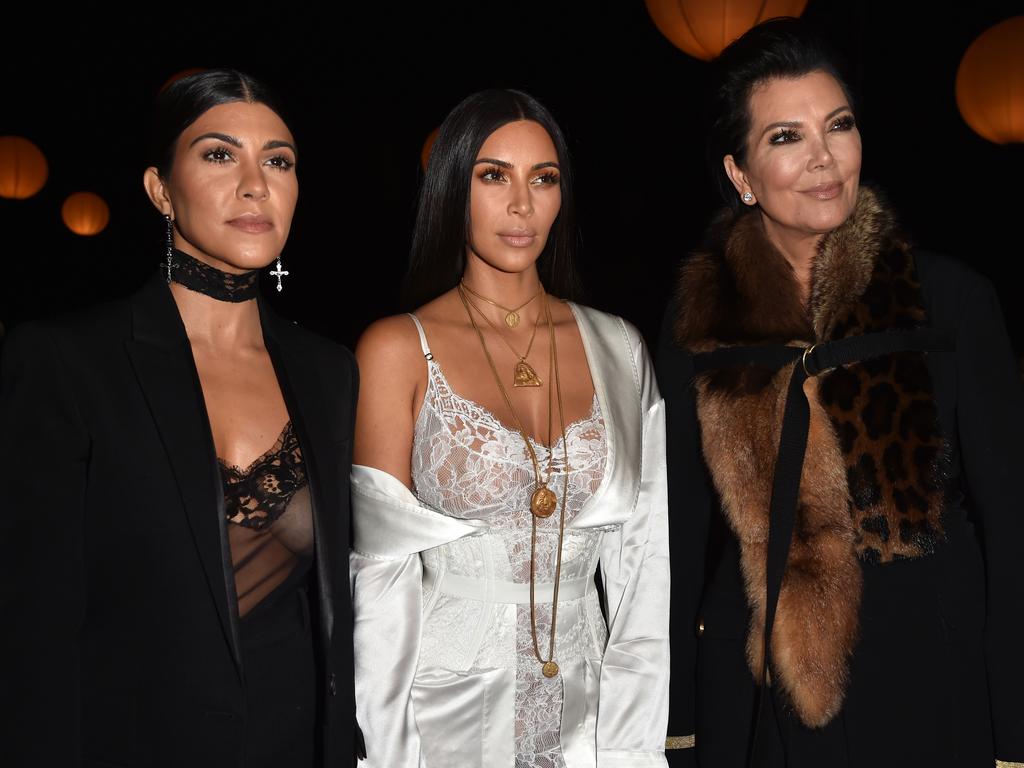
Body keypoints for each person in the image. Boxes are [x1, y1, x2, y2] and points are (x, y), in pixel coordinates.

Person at [657, 17, 1024, 768]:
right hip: (758, 694)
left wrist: (1013, 729)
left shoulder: (950, 302)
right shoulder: (699, 325)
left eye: (839, 125)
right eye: (785, 137)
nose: (823, 158)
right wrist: (679, 723)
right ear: (741, 175)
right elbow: (672, 543)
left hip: (931, 689)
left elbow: (1013, 530)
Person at [0, 69, 359, 767]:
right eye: (219, 154)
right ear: (160, 189)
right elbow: (29, 638)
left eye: (278, 161)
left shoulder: (333, 372)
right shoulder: (67, 362)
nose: (255, 184)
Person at [351, 88, 670, 767]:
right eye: (493, 176)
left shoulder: (619, 348)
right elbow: (379, 580)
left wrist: (633, 746)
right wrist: (386, 753)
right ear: (451, 189)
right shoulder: (395, 349)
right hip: (445, 713)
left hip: (586, 715)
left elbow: (644, 567)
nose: (522, 205)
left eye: (543, 178)